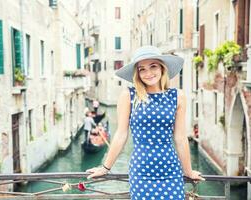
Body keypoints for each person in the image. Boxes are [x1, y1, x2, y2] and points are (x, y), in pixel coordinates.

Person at [86, 45, 204, 199]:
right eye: (142, 69)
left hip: (171, 170)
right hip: (142, 171)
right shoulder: (128, 96)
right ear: (137, 73)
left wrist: (188, 171)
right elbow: (121, 134)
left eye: (153, 66)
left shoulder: (178, 96)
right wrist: (105, 167)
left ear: (162, 68)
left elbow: (180, 138)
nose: (148, 73)